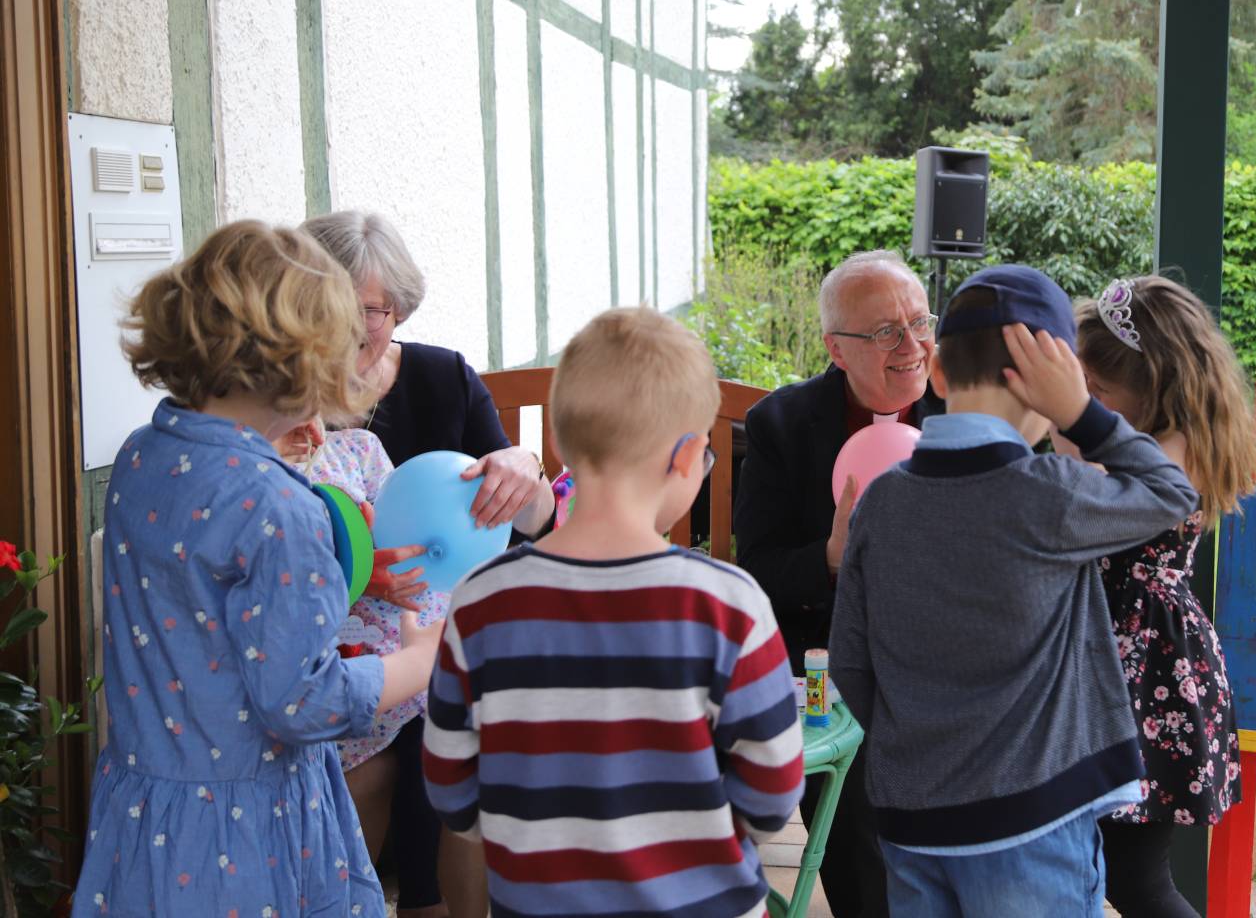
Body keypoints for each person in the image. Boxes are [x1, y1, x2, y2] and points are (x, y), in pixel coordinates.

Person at [72, 221, 442, 918]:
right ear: (308, 364)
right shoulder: (281, 509)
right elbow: (304, 702)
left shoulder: (141, 459)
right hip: (247, 838)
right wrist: (420, 660)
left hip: (145, 815)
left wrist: (273, 434)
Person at [828, 265, 1200, 918]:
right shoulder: (1049, 493)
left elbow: (852, 666)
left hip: (910, 826)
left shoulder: (880, 502)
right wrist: (1082, 415)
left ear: (937, 372)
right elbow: (1172, 492)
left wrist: (918, 761)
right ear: (1052, 383)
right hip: (1031, 825)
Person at [422, 307, 804, 918]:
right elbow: (773, 794)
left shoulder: (480, 601)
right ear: (687, 457)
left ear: (562, 443)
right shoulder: (728, 603)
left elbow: (451, 789)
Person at [302, 210, 553, 918]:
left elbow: (532, 528)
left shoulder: (442, 379)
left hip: (450, 629)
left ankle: (430, 905)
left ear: (400, 308)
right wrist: (362, 581)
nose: (353, 330)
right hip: (350, 643)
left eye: (372, 311)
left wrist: (522, 469)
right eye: (332, 310)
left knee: (452, 738)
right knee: (404, 748)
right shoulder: (289, 406)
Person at [734, 249, 941, 918]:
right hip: (834, 661)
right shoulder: (783, 426)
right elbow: (758, 566)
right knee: (859, 829)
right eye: (885, 331)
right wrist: (828, 558)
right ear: (836, 349)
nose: (911, 345)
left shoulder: (970, 405)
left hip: (953, 658)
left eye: (919, 322)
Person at [1067, 275, 1256, 917]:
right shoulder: (1162, 439)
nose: (1088, 408)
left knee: (1137, 880)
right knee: (1110, 871)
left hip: (1145, 678)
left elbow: (1096, 510)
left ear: (1155, 387)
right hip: (1130, 666)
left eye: (1099, 395)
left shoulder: (1172, 456)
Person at [274, 420, 447, 867]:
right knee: (364, 775)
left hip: (405, 631)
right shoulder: (262, 472)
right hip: (338, 661)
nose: (308, 421)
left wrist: (385, 554)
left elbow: (401, 520)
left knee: (457, 737)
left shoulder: (357, 447)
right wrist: (354, 574)